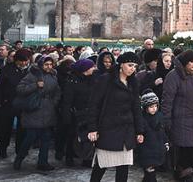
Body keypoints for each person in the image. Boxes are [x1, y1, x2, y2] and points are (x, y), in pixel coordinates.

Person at [86, 51, 145, 182]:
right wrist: (92, 128)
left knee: (123, 167)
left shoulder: (133, 82)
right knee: (101, 164)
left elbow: (136, 108)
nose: (132, 69)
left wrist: (140, 131)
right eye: (130, 65)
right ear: (121, 64)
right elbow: (94, 105)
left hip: (126, 130)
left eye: (135, 66)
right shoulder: (106, 80)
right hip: (108, 129)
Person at [162, 50, 193, 180]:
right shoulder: (173, 76)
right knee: (183, 147)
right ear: (184, 63)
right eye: (191, 62)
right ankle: (183, 173)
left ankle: (189, 169)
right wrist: (166, 119)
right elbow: (167, 100)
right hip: (180, 118)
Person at [13, 56, 61, 171]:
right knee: (30, 137)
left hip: (48, 111)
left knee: (46, 139)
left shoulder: (53, 75)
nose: (49, 67)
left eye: (50, 64)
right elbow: (20, 89)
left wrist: (54, 102)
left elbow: (57, 91)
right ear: (41, 65)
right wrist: (35, 85)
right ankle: (19, 158)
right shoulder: (32, 75)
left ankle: (43, 162)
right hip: (34, 110)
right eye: (46, 64)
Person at [0, 48, 32, 158]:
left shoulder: (31, 70)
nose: (23, 63)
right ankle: (2, 148)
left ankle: (20, 149)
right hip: (8, 102)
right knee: (5, 128)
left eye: (26, 61)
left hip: (24, 104)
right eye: (21, 61)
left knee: (22, 128)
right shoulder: (7, 70)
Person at [60, 58, 97, 167]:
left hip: (88, 113)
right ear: (85, 69)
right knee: (73, 136)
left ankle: (87, 158)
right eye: (91, 67)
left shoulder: (93, 79)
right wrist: (66, 115)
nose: (93, 69)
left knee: (88, 137)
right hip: (75, 114)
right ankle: (69, 157)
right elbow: (67, 100)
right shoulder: (72, 81)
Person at [139, 91, 168, 182]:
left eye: (155, 106)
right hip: (146, 150)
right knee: (150, 174)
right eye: (151, 107)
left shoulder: (159, 116)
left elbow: (163, 132)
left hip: (157, 149)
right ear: (145, 107)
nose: (154, 109)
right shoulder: (142, 119)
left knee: (151, 174)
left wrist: (166, 142)